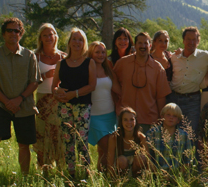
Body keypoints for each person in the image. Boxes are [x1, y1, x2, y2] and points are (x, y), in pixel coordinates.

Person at [0, 18, 42, 179]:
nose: (13, 34)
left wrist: (19, 99)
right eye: (10, 30)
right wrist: (7, 102)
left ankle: (25, 178)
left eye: (17, 31)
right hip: (0, 105)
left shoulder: (29, 55)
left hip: (24, 106)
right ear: (3, 34)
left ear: (21, 34)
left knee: (24, 144)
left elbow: (34, 81)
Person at [52, 28, 97, 176]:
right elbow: (54, 86)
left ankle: (85, 172)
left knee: (81, 140)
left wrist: (74, 94)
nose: (77, 42)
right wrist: (58, 93)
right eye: (74, 39)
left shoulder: (89, 63)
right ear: (69, 42)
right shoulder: (61, 63)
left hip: (83, 106)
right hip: (65, 106)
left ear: (84, 43)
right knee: (67, 140)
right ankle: (71, 172)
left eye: (80, 40)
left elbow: (92, 85)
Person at [114, 32, 170, 134]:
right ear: (135, 45)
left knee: (146, 150)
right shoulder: (123, 63)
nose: (143, 46)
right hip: (125, 119)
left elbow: (161, 97)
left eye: (145, 43)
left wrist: (161, 120)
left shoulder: (158, 69)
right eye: (140, 43)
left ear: (150, 45)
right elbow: (112, 82)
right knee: (125, 149)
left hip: (148, 119)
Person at [34, 23, 66, 171]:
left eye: (51, 34)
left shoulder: (63, 56)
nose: (48, 37)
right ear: (40, 38)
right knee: (42, 134)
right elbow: (29, 80)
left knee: (58, 134)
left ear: (55, 36)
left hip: (59, 100)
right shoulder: (35, 56)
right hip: (42, 99)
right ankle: (43, 170)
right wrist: (45, 75)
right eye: (45, 35)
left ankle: (61, 169)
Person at [169, 26, 208, 135]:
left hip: (193, 101)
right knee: (171, 132)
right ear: (183, 41)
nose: (191, 42)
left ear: (198, 41)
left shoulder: (205, 57)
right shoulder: (174, 57)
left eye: (194, 39)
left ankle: (191, 153)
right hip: (173, 98)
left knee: (191, 133)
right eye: (188, 39)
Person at [87, 41, 121, 172]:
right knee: (108, 148)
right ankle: (113, 176)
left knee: (102, 151)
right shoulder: (87, 69)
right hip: (94, 116)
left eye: (103, 52)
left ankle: (102, 177)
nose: (101, 55)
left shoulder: (108, 69)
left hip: (110, 115)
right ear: (91, 53)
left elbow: (118, 90)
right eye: (97, 52)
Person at [145, 103, 194, 173]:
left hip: (177, 177)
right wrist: (158, 175)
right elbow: (147, 158)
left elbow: (187, 161)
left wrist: (178, 177)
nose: (171, 117)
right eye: (168, 115)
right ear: (162, 116)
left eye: (174, 116)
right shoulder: (152, 133)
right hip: (156, 175)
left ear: (178, 120)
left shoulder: (184, 136)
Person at [107, 107, 149, 177]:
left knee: (141, 158)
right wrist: (112, 179)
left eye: (131, 119)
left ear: (135, 121)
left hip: (136, 169)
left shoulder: (141, 137)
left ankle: (136, 180)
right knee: (122, 160)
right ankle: (122, 180)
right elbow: (110, 161)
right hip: (121, 168)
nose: (129, 123)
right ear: (121, 121)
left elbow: (148, 159)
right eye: (125, 120)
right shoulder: (114, 137)